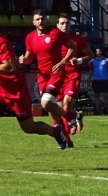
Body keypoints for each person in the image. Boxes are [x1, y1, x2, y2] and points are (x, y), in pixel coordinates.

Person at [0, 32, 68, 149]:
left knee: (28, 127)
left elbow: (10, 67)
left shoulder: (2, 41)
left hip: (15, 91)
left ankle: (55, 131)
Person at [19, 8, 77, 145]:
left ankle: (70, 116)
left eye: (43, 18)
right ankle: (65, 137)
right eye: (38, 19)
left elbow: (73, 47)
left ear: (47, 20)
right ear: (33, 22)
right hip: (42, 76)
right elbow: (29, 58)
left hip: (56, 73)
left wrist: (62, 63)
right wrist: (22, 60)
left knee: (45, 103)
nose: (41, 21)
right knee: (51, 109)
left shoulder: (55, 33)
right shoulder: (30, 37)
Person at [56, 13, 93, 134]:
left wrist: (79, 60)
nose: (64, 25)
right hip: (57, 77)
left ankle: (69, 130)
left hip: (72, 75)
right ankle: (76, 116)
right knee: (61, 109)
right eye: (62, 23)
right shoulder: (52, 39)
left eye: (67, 23)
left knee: (66, 105)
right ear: (57, 25)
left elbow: (90, 55)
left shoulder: (77, 39)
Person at [90, 48, 108, 115]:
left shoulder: (107, 60)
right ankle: (98, 111)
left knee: (105, 96)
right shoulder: (92, 61)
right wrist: (89, 79)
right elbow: (91, 71)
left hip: (104, 80)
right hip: (95, 80)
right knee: (97, 96)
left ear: (102, 52)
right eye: (97, 51)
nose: (98, 52)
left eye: (99, 51)